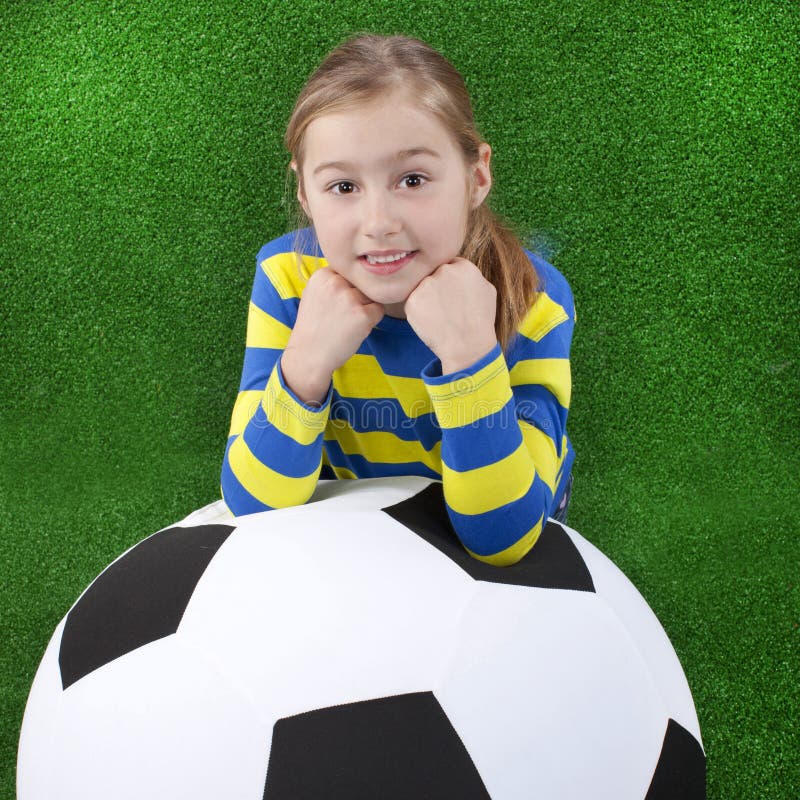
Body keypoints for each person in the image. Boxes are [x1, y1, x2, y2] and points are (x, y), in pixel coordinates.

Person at [220, 33, 576, 565]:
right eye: (343, 187)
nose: (379, 224)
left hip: (497, 510)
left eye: (412, 179)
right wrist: (306, 366)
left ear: (476, 176)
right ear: (303, 192)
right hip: (359, 529)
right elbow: (253, 506)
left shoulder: (533, 298)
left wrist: (470, 358)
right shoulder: (286, 280)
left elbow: (503, 539)